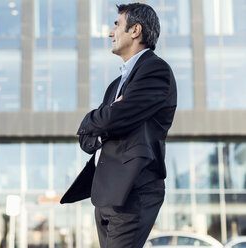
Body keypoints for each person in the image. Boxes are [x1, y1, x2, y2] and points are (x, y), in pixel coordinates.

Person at [61, 3, 177, 248]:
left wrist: (93, 119)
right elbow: (87, 140)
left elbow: (113, 118)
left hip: (134, 189)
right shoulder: (115, 85)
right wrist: (103, 120)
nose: (110, 33)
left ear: (135, 30)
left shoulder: (156, 70)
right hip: (107, 192)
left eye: (116, 25)